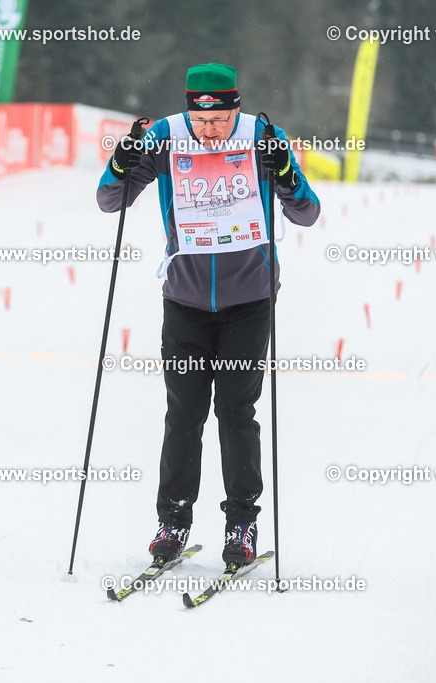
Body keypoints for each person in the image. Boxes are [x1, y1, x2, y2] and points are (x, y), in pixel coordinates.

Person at [96, 63, 320, 567]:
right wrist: (119, 162)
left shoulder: (264, 136)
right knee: (183, 414)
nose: (210, 132)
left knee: (237, 413)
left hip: (249, 300)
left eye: (220, 121)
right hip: (186, 302)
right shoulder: (165, 137)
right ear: (189, 109)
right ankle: (173, 521)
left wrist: (285, 174)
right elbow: (111, 202)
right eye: (202, 121)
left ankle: (242, 523)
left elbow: (306, 212)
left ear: (236, 108)